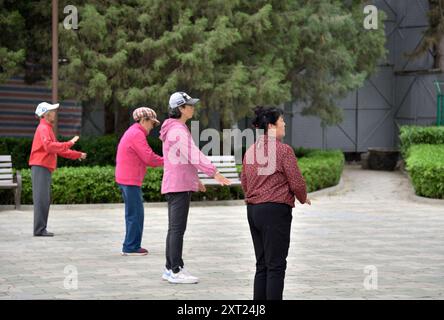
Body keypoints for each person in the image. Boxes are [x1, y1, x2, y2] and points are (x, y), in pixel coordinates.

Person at [159, 91, 231, 284]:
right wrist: (214, 172)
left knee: (174, 229)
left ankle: (169, 269)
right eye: (189, 105)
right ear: (180, 109)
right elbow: (193, 154)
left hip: (178, 183)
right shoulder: (177, 130)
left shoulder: (176, 128)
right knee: (177, 230)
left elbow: (182, 159)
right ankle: (176, 270)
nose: (192, 107)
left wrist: (196, 180)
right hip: (178, 186)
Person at [241, 106, 311, 300]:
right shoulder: (283, 150)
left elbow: (244, 181)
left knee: (262, 264)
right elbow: (296, 181)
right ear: (271, 126)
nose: (285, 123)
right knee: (276, 266)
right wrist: (303, 197)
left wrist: (256, 197)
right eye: (282, 120)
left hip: (254, 211)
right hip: (274, 211)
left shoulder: (251, 151)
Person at [29, 102, 87, 237]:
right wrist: (70, 142)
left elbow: (57, 149)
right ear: (46, 114)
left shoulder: (47, 128)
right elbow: (50, 147)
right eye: (52, 111)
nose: (55, 113)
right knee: (41, 199)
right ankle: (39, 230)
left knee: (44, 199)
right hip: (40, 167)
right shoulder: (43, 128)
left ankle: (40, 229)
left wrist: (77, 154)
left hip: (43, 167)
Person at [115, 107, 164, 256]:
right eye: (152, 123)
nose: (153, 126)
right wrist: (167, 161)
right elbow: (148, 157)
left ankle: (130, 245)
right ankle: (131, 247)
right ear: (143, 120)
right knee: (136, 214)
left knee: (133, 213)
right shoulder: (137, 134)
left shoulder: (133, 132)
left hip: (126, 178)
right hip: (130, 179)